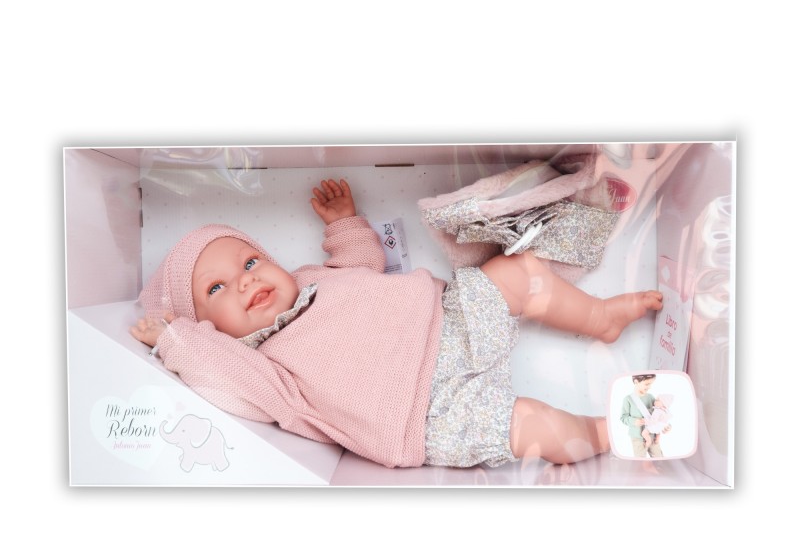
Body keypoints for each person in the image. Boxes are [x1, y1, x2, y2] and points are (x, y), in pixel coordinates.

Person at [131, 179, 663, 469]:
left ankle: (600, 317)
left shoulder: (312, 280)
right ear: (209, 329)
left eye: (249, 261)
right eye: (217, 289)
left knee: (518, 273)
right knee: (531, 427)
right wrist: (178, 341)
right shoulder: (263, 367)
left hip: (448, 322)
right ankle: (608, 431)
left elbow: (362, 262)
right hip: (429, 416)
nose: (246, 280)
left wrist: (344, 223)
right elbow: (224, 376)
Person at [620, 374, 671, 457]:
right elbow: (623, 418)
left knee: (659, 458)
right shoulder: (628, 399)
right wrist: (634, 421)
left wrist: (666, 426)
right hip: (637, 437)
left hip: (652, 435)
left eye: (651, 384)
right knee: (640, 460)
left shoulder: (651, 397)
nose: (649, 387)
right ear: (636, 382)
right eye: (647, 384)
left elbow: (661, 413)